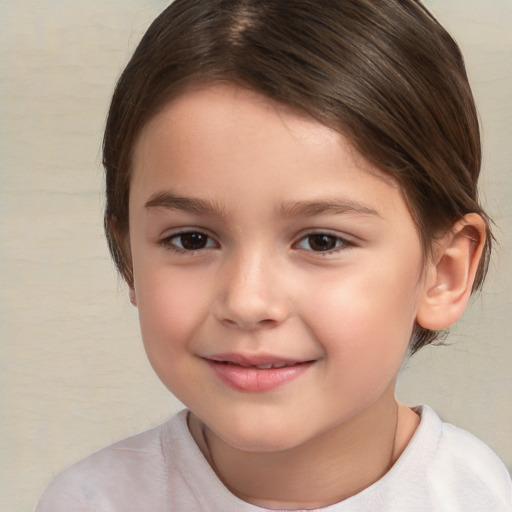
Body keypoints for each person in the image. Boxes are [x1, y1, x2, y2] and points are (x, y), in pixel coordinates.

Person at [36, 0, 512, 510]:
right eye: (192, 239)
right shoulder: (89, 501)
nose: (246, 301)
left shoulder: (480, 496)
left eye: (322, 241)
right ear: (129, 256)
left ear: (443, 273)